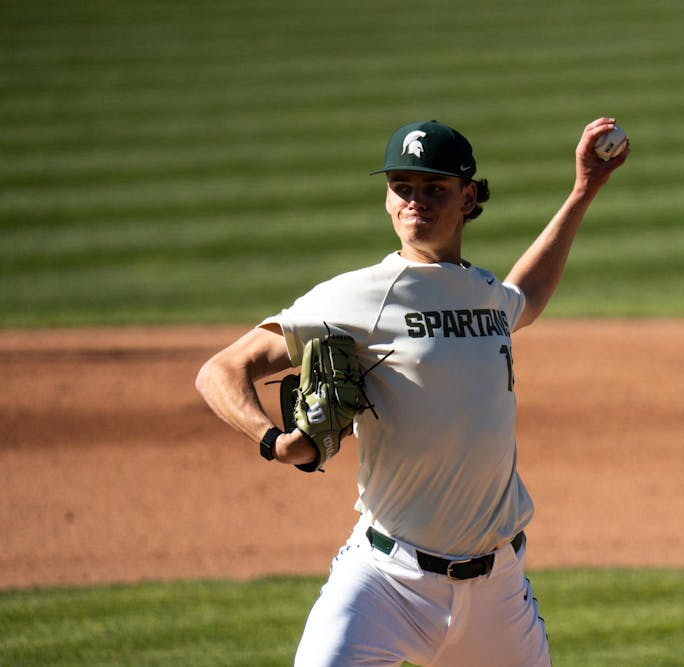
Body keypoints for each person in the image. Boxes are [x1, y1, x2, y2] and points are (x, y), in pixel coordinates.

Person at [195, 117, 628, 666]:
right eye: (402, 187)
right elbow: (222, 369)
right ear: (386, 199)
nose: (414, 201)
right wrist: (273, 441)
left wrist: (583, 191)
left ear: (468, 197)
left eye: (434, 188)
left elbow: (528, 295)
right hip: (386, 583)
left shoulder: (484, 293)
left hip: (496, 593)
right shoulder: (357, 297)